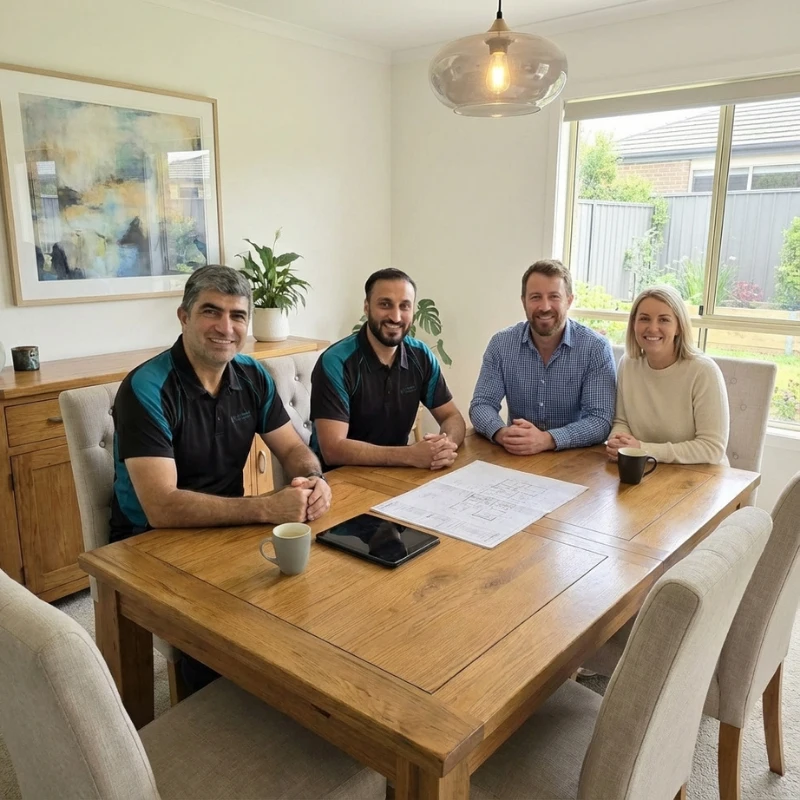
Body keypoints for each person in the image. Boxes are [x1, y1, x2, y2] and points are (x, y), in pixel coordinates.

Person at [111, 265, 332, 691]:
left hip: (228, 528)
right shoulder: (146, 388)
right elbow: (161, 507)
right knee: (223, 643)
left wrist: (314, 479)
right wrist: (266, 507)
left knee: (318, 596)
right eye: (211, 312)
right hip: (147, 541)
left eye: (237, 315)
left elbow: (293, 449)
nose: (225, 328)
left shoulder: (251, 375)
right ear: (184, 316)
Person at [310, 268, 466, 471]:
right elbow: (333, 449)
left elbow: (452, 416)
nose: (396, 317)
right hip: (338, 479)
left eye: (404, 306)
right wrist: (409, 455)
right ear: (366, 307)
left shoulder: (421, 356)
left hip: (398, 472)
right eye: (385, 304)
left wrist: (445, 445)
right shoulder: (336, 361)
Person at [470, 259, 616, 454]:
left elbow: (600, 420)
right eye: (535, 297)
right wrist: (501, 433)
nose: (545, 306)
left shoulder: (595, 348)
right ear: (524, 301)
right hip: (516, 455)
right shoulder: (501, 344)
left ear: (569, 300)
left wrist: (548, 439)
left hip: (574, 459)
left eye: (554, 296)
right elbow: (482, 404)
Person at [606, 285, 729, 465]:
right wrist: (619, 441)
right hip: (648, 469)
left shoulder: (703, 371)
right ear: (633, 324)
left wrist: (642, 450)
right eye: (644, 319)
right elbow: (622, 421)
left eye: (664, 320)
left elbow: (712, 448)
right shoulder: (628, 363)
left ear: (679, 326)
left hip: (702, 474)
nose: (652, 328)